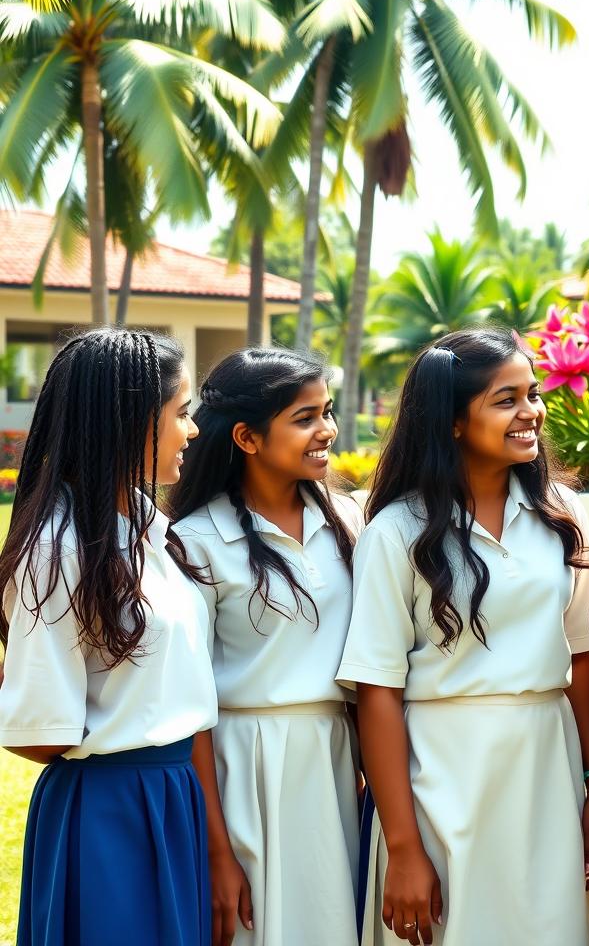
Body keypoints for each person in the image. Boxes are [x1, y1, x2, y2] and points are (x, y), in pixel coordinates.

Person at [337, 328, 589, 946]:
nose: (530, 412)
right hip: (440, 777)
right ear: (453, 421)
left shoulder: (562, 515)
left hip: (546, 767)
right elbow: (377, 691)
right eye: (505, 399)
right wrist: (403, 847)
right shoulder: (396, 530)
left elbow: (582, 660)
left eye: (532, 394)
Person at [0, 328, 218, 946]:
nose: (192, 431)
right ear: (129, 421)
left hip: (175, 797)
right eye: (181, 413)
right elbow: (44, 734)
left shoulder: (152, 532)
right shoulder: (59, 547)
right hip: (109, 810)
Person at [168, 348, 363, 946]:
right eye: (305, 418)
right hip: (243, 767)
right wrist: (217, 850)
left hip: (337, 762)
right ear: (249, 437)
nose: (326, 430)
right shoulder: (195, 540)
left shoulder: (351, 522)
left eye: (327, 412)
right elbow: (190, 705)